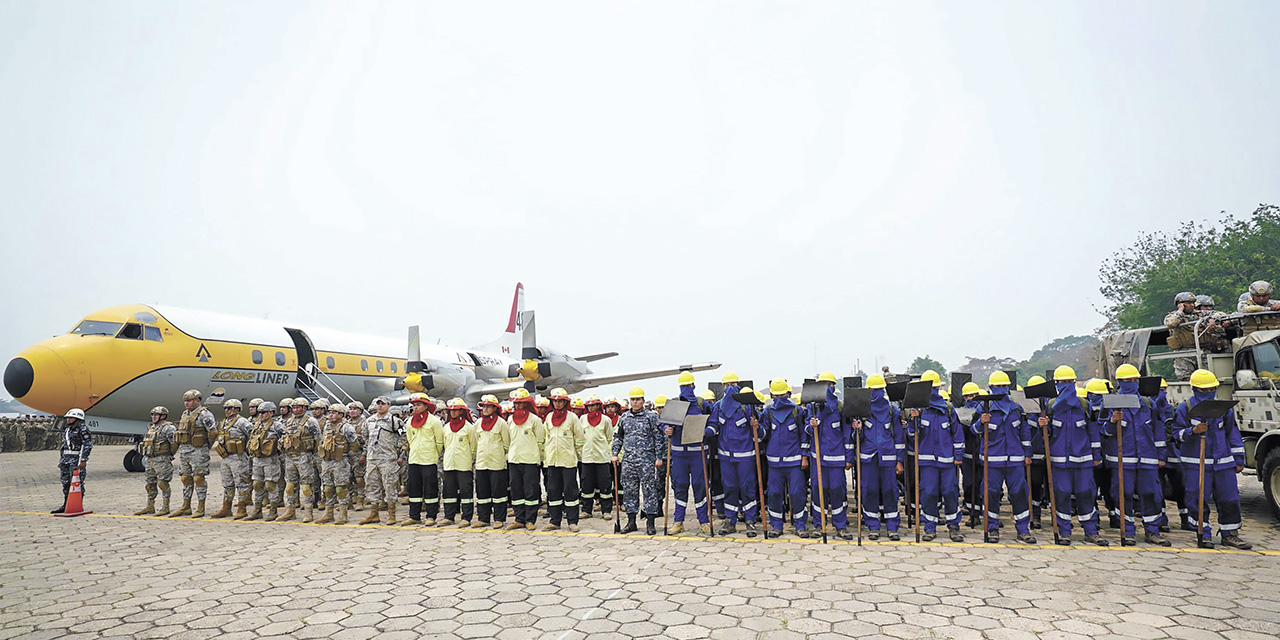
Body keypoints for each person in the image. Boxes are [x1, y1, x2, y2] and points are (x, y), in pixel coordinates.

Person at [1173, 369, 1252, 549]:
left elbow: (1233, 433)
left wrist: (1238, 459)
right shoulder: (1185, 408)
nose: (1209, 392)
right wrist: (1192, 431)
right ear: (1194, 389)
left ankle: (1230, 534)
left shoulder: (1223, 409)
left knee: (1229, 498)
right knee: (1197, 499)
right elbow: (1176, 434)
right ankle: (1203, 533)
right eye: (1204, 389)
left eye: (1212, 388)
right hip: (1196, 464)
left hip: (1223, 463)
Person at [1103, 364, 1170, 546]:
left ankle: (1153, 531)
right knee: (1122, 494)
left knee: (1151, 494)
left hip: (1147, 459)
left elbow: (1158, 431)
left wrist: (1161, 455)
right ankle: (1128, 531)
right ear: (1119, 382)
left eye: (1135, 380)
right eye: (1127, 380)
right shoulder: (1111, 404)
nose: (1132, 383)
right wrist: (1111, 421)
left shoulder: (1148, 404)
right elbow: (1104, 432)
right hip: (1123, 460)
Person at [1043, 366, 1107, 546]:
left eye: (1069, 382)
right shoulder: (1051, 407)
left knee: (1086, 494)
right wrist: (1044, 425)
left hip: (1083, 461)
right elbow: (1047, 435)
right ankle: (1064, 532)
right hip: (1059, 461)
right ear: (1056, 384)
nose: (1066, 385)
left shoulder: (1084, 406)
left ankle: (1091, 531)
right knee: (1061, 495)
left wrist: (1096, 455)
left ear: (1074, 382)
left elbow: (1093, 432)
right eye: (1062, 382)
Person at [973, 372, 1035, 544]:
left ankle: (1023, 530)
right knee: (991, 494)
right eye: (997, 386)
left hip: (1015, 460)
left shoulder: (1016, 408)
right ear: (990, 388)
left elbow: (1024, 432)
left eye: (1004, 386)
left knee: (1019, 493)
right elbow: (974, 431)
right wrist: (981, 423)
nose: (1001, 389)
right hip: (992, 460)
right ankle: (992, 528)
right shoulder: (983, 408)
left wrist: (1027, 454)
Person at [909, 371, 965, 542]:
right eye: (930, 388)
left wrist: (958, 455)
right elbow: (911, 436)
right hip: (927, 462)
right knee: (929, 493)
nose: (933, 391)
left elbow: (957, 434)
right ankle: (929, 527)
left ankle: (953, 526)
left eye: (935, 387)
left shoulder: (948, 409)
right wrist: (913, 420)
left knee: (950, 492)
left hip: (947, 461)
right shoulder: (918, 410)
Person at [803, 372, 853, 540]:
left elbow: (847, 434)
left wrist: (848, 457)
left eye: (829, 384)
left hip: (837, 459)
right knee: (818, 492)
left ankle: (840, 526)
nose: (826, 388)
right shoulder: (812, 408)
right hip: (818, 458)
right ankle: (819, 524)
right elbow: (806, 432)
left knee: (838, 491)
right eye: (823, 384)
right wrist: (812, 426)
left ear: (833, 386)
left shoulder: (840, 408)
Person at [711, 374, 761, 537]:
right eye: (726, 384)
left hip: (745, 456)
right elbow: (713, 425)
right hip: (726, 457)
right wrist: (702, 432)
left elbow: (759, 434)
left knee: (747, 488)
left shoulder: (747, 406)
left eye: (733, 384)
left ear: (738, 385)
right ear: (722, 387)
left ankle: (750, 521)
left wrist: (756, 426)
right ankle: (730, 521)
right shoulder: (718, 406)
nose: (730, 387)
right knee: (730, 488)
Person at [855, 374, 903, 541]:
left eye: (879, 390)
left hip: (888, 457)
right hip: (868, 458)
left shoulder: (892, 410)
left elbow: (899, 437)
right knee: (869, 490)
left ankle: (892, 526)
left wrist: (900, 460)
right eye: (874, 390)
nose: (877, 393)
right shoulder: (861, 410)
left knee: (890, 491)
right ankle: (872, 526)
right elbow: (855, 439)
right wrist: (858, 429)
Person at [612, 387, 665, 535]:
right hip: (629, 461)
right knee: (629, 491)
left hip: (647, 460)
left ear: (643, 400)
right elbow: (618, 437)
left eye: (638, 399)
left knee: (649, 491)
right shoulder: (624, 417)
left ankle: (650, 522)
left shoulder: (651, 416)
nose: (635, 402)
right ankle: (631, 522)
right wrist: (615, 453)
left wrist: (659, 457)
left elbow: (658, 437)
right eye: (633, 400)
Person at [763, 379, 809, 538]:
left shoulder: (797, 412)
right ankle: (776, 526)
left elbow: (804, 435)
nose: (779, 398)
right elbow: (764, 434)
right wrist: (755, 427)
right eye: (776, 395)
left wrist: (804, 457)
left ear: (788, 394)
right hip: (774, 462)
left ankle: (800, 525)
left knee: (797, 493)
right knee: (774, 493)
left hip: (794, 461)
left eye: (782, 394)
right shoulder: (767, 412)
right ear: (771, 395)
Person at [358, 397, 405, 525]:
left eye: (383, 404)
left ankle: (391, 514)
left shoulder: (394, 421)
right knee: (372, 485)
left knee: (389, 485)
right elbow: (365, 438)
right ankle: (374, 514)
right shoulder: (369, 421)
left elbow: (404, 437)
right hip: (372, 459)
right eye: (378, 404)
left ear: (388, 405)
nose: (380, 406)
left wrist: (398, 450)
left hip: (388, 459)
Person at [543, 388, 585, 531]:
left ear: (565, 402)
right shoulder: (548, 417)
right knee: (553, 491)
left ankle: (572, 521)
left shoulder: (572, 418)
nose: (557, 403)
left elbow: (580, 439)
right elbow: (545, 437)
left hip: (568, 461)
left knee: (570, 491)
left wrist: (578, 457)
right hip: (552, 461)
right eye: (555, 401)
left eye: (560, 401)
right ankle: (555, 520)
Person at [170, 390, 215, 518]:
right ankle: (186, 506)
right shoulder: (184, 414)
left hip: (198, 451)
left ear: (197, 401)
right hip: (185, 451)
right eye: (185, 401)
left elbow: (213, 432)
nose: (187, 403)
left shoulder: (205, 414)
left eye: (189, 401)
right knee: (185, 478)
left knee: (198, 478)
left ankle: (201, 507)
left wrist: (206, 446)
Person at [402, 393, 445, 527]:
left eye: (418, 404)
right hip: (414, 459)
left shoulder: (434, 421)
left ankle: (431, 516)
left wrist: (433, 455)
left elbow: (439, 441)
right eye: (414, 405)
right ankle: (414, 516)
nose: (415, 407)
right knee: (414, 489)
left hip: (429, 460)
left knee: (430, 489)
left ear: (426, 406)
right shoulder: (410, 422)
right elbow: (409, 439)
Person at [506, 389, 546, 531]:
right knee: (516, 491)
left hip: (530, 460)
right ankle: (519, 519)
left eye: (520, 403)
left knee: (531, 491)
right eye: (516, 403)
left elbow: (541, 441)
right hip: (514, 459)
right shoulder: (510, 420)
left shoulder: (535, 420)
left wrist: (539, 459)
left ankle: (530, 520)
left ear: (526, 404)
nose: (517, 406)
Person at [278, 397, 321, 523]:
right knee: (290, 485)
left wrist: (314, 457)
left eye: (298, 407)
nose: (295, 410)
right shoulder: (289, 421)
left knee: (306, 485)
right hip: (290, 457)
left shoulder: (311, 421)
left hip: (304, 457)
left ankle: (308, 512)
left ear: (304, 408)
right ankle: (290, 511)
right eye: (294, 408)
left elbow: (318, 440)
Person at [210, 399, 252, 519]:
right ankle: (226, 508)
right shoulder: (224, 422)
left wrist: (247, 450)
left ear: (237, 409)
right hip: (226, 457)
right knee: (227, 483)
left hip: (238, 457)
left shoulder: (242, 422)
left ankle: (242, 508)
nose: (227, 411)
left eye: (229, 408)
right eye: (226, 408)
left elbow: (252, 436)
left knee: (241, 483)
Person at [315, 403, 357, 524]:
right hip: (327, 461)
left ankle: (343, 514)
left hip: (340, 461)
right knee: (328, 488)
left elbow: (354, 445)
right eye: (330, 412)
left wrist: (347, 457)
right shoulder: (327, 426)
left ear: (341, 415)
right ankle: (329, 513)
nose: (331, 415)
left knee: (340, 488)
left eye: (334, 412)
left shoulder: (346, 427)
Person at [474, 394, 511, 528]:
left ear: (494, 408)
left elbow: (507, 444)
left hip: (497, 464)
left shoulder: (501, 423)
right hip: (482, 464)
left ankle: (499, 519)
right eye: (483, 406)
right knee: (482, 493)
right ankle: (483, 518)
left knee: (499, 494)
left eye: (488, 406)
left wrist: (499, 454)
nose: (485, 409)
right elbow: (475, 441)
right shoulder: (478, 423)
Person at [440, 398, 477, 527]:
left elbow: (473, 447)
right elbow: (444, 445)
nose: (453, 413)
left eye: (455, 411)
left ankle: (466, 517)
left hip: (464, 464)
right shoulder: (446, 427)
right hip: (449, 464)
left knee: (466, 492)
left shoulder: (469, 428)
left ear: (461, 411)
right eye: (450, 411)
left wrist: (469, 460)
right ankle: (449, 516)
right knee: (448, 492)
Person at [245, 401, 284, 521]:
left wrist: (279, 449)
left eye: (263, 413)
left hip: (270, 460)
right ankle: (257, 510)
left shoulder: (277, 426)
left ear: (271, 413)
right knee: (257, 484)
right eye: (259, 413)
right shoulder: (257, 425)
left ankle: (273, 510)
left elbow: (286, 439)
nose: (260, 415)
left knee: (270, 485)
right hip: (257, 459)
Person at [578, 395, 615, 520]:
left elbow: (609, 437)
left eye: (594, 405)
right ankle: (586, 510)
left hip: (602, 458)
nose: (591, 408)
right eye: (589, 405)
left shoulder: (605, 420)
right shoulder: (582, 419)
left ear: (599, 406)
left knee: (605, 485)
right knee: (586, 485)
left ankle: (606, 511)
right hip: (587, 458)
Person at [134, 406, 176, 516]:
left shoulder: (169, 428)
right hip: (150, 459)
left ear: (163, 416)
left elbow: (175, 443)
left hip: (162, 460)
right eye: (152, 415)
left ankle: (165, 507)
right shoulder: (151, 428)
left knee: (163, 483)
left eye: (156, 415)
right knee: (149, 484)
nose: (153, 417)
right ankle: (150, 506)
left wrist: (170, 454)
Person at [345, 401, 368, 510]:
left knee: (359, 478)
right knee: (348, 478)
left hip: (358, 453)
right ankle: (349, 499)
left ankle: (360, 500)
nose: (352, 411)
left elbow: (367, 441)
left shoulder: (365, 423)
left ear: (360, 411)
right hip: (346, 454)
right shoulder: (346, 424)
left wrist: (364, 455)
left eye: (355, 409)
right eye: (350, 409)